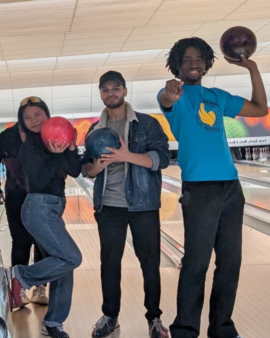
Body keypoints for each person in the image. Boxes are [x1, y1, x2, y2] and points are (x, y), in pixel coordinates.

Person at [158, 37, 268, 338]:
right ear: (177, 65)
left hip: (231, 187)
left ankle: (222, 327)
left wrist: (253, 69)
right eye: (187, 59)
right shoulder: (176, 95)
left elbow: (260, 110)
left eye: (198, 59)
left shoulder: (217, 96)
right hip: (200, 189)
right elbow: (166, 100)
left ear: (206, 63)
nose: (193, 64)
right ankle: (184, 329)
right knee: (196, 261)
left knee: (231, 261)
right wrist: (170, 93)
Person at [84, 71, 171, 338]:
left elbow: (162, 158)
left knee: (149, 263)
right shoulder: (94, 130)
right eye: (105, 89)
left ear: (124, 90)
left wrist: (127, 155)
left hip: (143, 204)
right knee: (109, 262)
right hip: (108, 206)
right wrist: (96, 168)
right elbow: (86, 170)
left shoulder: (146, 124)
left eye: (116, 88)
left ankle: (154, 318)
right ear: (100, 93)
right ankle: (110, 316)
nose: (111, 93)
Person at [9, 97, 82, 338]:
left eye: (37, 114)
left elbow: (75, 170)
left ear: (47, 115)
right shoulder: (29, 147)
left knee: (63, 265)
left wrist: (69, 148)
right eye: (27, 118)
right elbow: (38, 182)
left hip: (52, 209)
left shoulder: (56, 140)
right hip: (38, 208)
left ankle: (53, 323)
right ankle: (21, 275)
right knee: (71, 257)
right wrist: (54, 154)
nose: (33, 120)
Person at [0, 122, 48, 305]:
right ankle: (18, 288)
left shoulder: (45, 131)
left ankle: (40, 288)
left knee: (42, 242)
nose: (32, 119)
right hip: (15, 195)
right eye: (27, 115)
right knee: (20, 241)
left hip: (42, 194)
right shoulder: (6, 136)